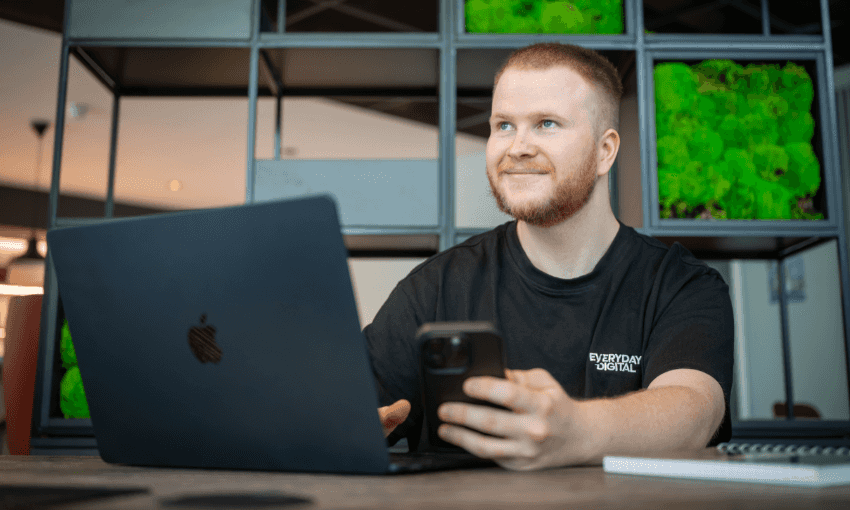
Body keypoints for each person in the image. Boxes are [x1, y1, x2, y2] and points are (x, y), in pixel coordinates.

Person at [369, 43, 733, 471]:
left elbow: (694, 412)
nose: (518, 146)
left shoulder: (681, 285)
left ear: (605, 151)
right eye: (503, 125)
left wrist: (576, 429)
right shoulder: (434, 287)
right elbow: (351, 408)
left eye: (546, 123)